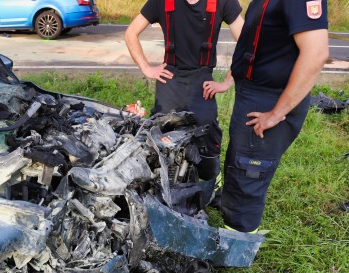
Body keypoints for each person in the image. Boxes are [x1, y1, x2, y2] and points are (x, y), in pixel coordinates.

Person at [220, 0, 329, 233]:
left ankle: (237, 245)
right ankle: (229, 215)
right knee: (237, 163)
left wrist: (277, 113)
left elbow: (316, 54)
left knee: (249, 172)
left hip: (270, 99)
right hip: (252, 93)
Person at [125, 0, 245, 183]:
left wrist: (228, 81)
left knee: (208, 136)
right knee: (160, 136)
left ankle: (211, 186)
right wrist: (146, 67)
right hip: (170, 77)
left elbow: (247, 41)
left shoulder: (223, 2)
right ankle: (162, 184)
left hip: (202, 81)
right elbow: (131, 33)